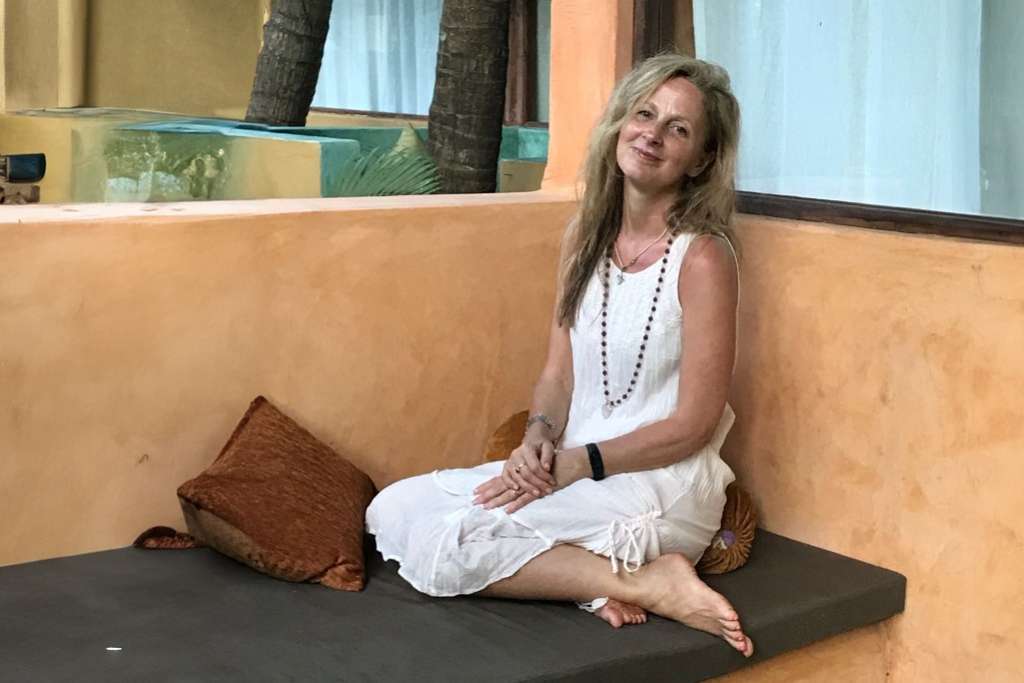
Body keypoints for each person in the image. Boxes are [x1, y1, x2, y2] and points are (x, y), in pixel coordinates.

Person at [366, 53, 752, 657]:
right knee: (392, 507)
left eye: (678, 127)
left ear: (701, 158)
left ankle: (649, 577)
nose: (651, 133)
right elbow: (556, 374)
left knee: (454, 546)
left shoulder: (704, 259)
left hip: (657, 482)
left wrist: (580, 463)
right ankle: (611, 583)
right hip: (573, 463)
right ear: (621, 123)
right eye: (644, 113)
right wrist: (538, 438)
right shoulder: (584, 238)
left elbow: (694, 425)